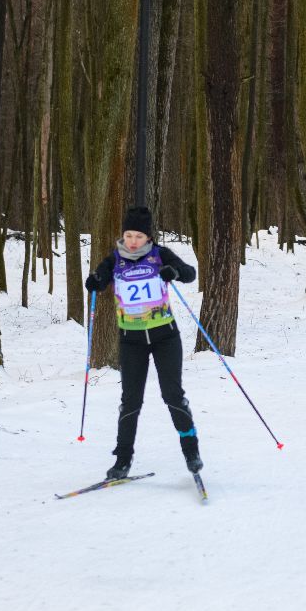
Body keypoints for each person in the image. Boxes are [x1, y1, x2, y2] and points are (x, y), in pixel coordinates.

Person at [85, 206, 201, 480]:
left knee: (172, 395)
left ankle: (191, 452)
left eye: (138, 236)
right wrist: (95, 281)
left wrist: (174, 272)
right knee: (131, 401)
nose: (132, 241)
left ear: (148, 237)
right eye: (128, 235)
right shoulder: (114, 260)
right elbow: (99, 281)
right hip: (131, 341)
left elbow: (189, 273)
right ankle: (122, 461)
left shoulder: (160, 255)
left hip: (165, 337)